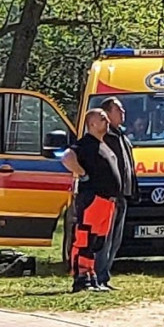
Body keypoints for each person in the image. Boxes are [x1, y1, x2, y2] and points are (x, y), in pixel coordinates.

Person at [60, 109, 123, 293]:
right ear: (92, 124)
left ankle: (91, 276)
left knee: (96, 242)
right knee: (85, 239)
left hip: (107, 202)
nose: (107, 120)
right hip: (93, 199)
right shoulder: (86, 144)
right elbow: (66, 157)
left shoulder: (103, 144)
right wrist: (83, 174)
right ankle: (80, 279)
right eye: (102, 118)